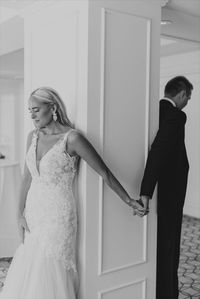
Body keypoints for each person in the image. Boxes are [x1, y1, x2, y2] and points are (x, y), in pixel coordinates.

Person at [0, 87, 144, 299]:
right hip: (33, 213)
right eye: (29, 110)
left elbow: (105, 173)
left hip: (58, 216)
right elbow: (27, 178)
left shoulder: (72, 138)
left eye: (36, 109)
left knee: (49, 268)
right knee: (29, 266)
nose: (31, 115)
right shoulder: (33, 136)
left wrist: (129, 200)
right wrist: (19, 214)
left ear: (53, 107)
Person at [138, 76, 193, 299]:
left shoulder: (153, 110)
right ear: (180, 94)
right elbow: (159, 150)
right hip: (169, 194)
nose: (188, 100)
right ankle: (167, 294)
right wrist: (145, 192)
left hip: (158, 190)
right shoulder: (176, 116)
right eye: (188, 96)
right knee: (169, 245)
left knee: (157, 244)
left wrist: (148, 190)